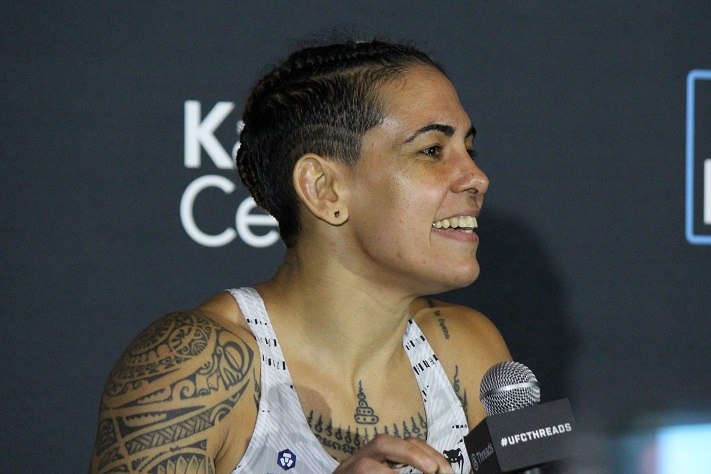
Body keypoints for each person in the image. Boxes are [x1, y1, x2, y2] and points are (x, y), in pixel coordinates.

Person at [90, 39, 511, 474]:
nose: (476, 177)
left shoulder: (466, 348)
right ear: (324, 189)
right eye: (431, 151)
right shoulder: (192, 366)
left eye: (469, 150)